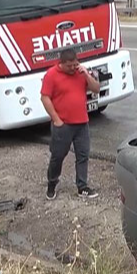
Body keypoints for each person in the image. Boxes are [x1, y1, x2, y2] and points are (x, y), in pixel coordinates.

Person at [42, 48, 100, 200]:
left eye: (75, 64)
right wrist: (56, 119)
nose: (73, 68)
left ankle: (82, 186)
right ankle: (52, 183)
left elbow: (96, 89)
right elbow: (45, 98)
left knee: (83, 155)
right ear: (61, 63)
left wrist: (86, 74)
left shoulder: (80, 74)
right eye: (70, 66)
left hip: (82, 123)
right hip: (63, 125)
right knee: (58, 156)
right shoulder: (51, 75)